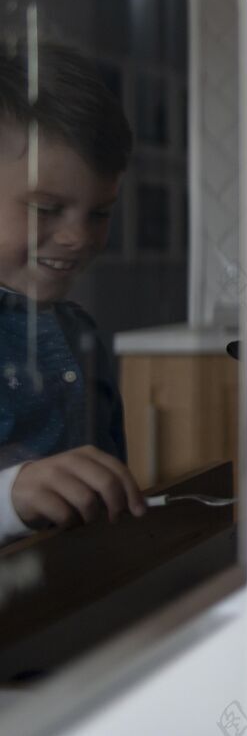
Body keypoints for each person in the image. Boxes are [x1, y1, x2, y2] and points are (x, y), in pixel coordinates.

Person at [0, 44, 145, 545]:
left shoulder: (78, 331)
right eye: (47, 208)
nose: (78, 237)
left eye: (98, 213)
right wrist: (10, 497)